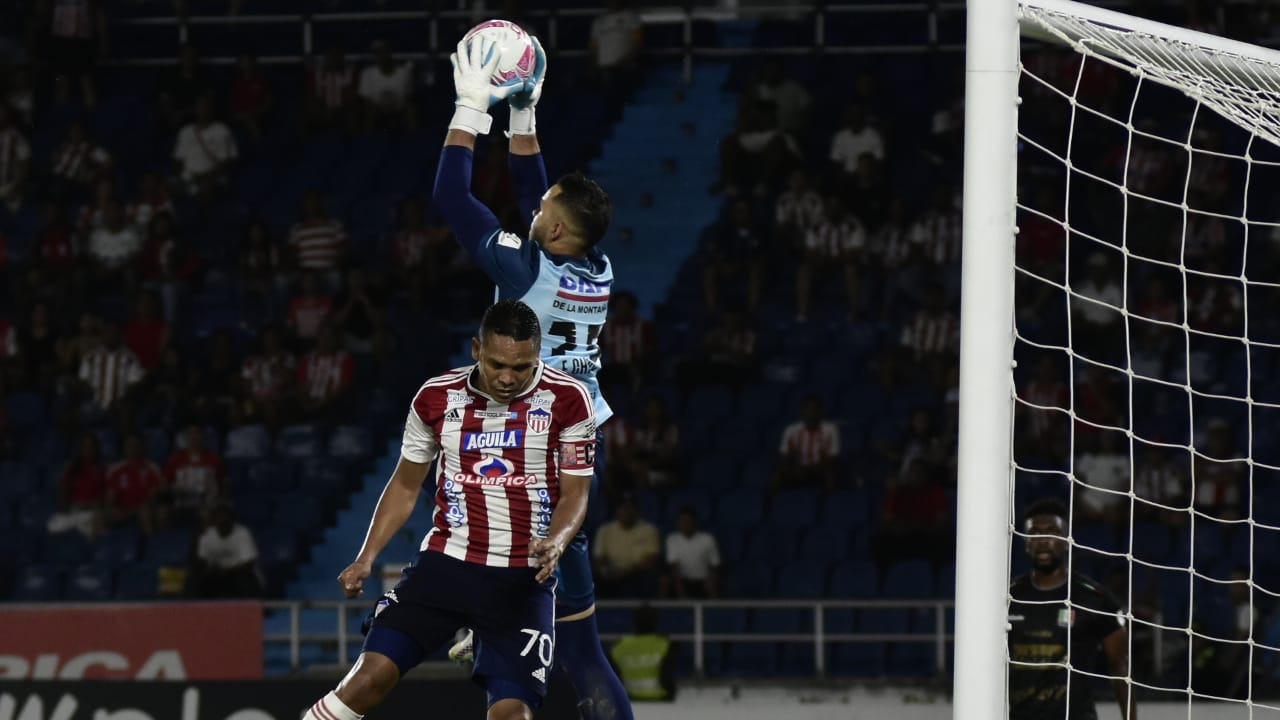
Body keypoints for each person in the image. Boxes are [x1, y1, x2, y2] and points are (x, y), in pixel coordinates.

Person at [432, 36, 634, 720]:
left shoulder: (526, 272)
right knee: (583, 649)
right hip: (577, 453)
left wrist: (471, 108)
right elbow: (535, 198)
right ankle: (491, 629)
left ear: (550, 226)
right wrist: (525, 114)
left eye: (543, 206)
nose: (535, 204)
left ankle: (486, 627)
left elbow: (450, 194)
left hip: (523, 453)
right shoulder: (596, 268)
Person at [299, 300, 596, 720]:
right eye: (497, 365)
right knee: (368, 680)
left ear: (538, 356)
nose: (508, 378)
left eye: (522, 367)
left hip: (522, 581)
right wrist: (366, 557)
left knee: (513, 716)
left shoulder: (569, 400)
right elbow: (405, 484)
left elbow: (576, 493)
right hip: (446, 567)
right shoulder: (436, 398)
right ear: (476, 349)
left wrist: (557, 541)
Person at [1008, 498, 1135, 720]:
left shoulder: (1095, 599)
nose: (1043, 540)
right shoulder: (1009, 597)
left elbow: (1120, 669)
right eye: (1035, 533)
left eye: (1052, 532)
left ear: (1066, 540)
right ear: (1026, 542)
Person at [609, 605, 675, 702]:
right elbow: (667, 677)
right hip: (660, 701)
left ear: (634, 622)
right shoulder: (664, 645)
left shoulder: (619, 646)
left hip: (631, 701)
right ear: (655, 621)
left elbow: (613, 679)